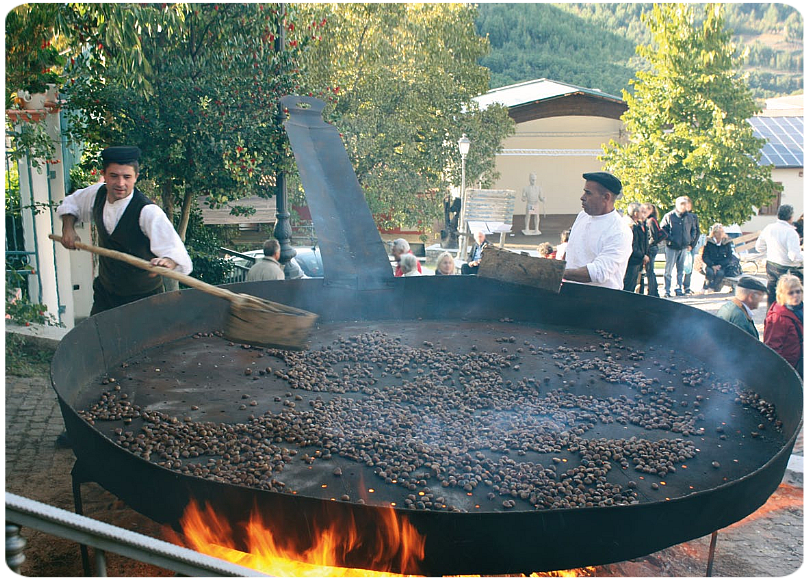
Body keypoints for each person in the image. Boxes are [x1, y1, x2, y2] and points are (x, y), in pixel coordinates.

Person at [56, 146, 192, 315]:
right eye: (114, 176)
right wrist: (68, 228)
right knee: (98, 340)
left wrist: (167, 262)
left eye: (127, 177)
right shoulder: (96, 195)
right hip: (106, 294)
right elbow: (71, 204)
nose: (120, 183)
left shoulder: (148, 211)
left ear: (136, 177)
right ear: (104, 175)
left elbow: (176, 252)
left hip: (143, 301)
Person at [563, 172, 632, 290]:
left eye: (588, 193)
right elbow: (571, 253)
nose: (582, 197)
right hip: (571, 294)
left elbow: (598, 272)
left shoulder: (619, 231)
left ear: (606, 197)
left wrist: (556, 272)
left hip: (600, 301)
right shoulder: (582, 216)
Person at [755, 204, 806, 308]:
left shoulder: (769, 228)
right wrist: (803, 257)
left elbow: (759, 248)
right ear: (791, 217)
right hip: (786, 268)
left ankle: (771, 318)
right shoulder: (791, 232)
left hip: (771, 265)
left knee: (772, 296)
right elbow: (794, 256)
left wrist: (772, 250)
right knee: (789, 297)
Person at [764, 274, 808, 388]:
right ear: (782, 295)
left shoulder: (801, 308)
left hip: (802, 360)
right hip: (789, 368)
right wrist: (781, 372)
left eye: (798, 291)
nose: (796, 296)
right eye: (791, 293)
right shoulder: (777, 317)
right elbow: (772, 349)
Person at [659, 196, 698, 298]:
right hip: (671, 247)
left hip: (684, 247)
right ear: (677, 205)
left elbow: (694, 230)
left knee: (681, 270)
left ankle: (678, 288)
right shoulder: (669, 216)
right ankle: (666, 290)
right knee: (668, 270)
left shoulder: (689, 217)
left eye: (685, 204)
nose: (683, 206)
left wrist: (690, 240)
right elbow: (663, 230)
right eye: (681, 204)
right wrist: (670, 238)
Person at [701, 223, 740, 292]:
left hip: (722, 265)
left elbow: (729, 257)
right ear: (714, 233)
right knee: (710, 272)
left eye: (721, 232)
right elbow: (705, 256)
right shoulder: (709, 242)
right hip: (710, 263)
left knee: (720, 273)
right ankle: (706, 286)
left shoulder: (726, 242)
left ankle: (713, 287)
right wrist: (712, 265)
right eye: (718, 232)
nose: (720, 234)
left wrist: (720, 265)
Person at [639, 203, 666, 297]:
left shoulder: (650, 221)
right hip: (652, 247)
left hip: (651, 248)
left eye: (646, 210)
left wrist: (648, 247)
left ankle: (653, 291)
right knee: (649, 270)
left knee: (650, 270)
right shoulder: (651, 220)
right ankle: (653, 290)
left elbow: (653, 237)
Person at [623, 202, 649, 292]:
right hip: (631, 261)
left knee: (636, 285)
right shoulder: (629, 226)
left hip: (637, 260)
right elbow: (632, 245)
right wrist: (642, 255)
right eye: (642, 211)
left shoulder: (639, 225)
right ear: (635, 213)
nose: (643, 214)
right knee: (628, 287)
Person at [681, 197, 700, 295]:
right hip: (680, 246)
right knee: (680, 267)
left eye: (688, 204)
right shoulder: (677, 216)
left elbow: (696, 232)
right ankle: (678, 286)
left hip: (690, 246)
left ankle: (687, 286)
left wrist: (692, 245)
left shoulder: (693, 217)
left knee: (689, 267)